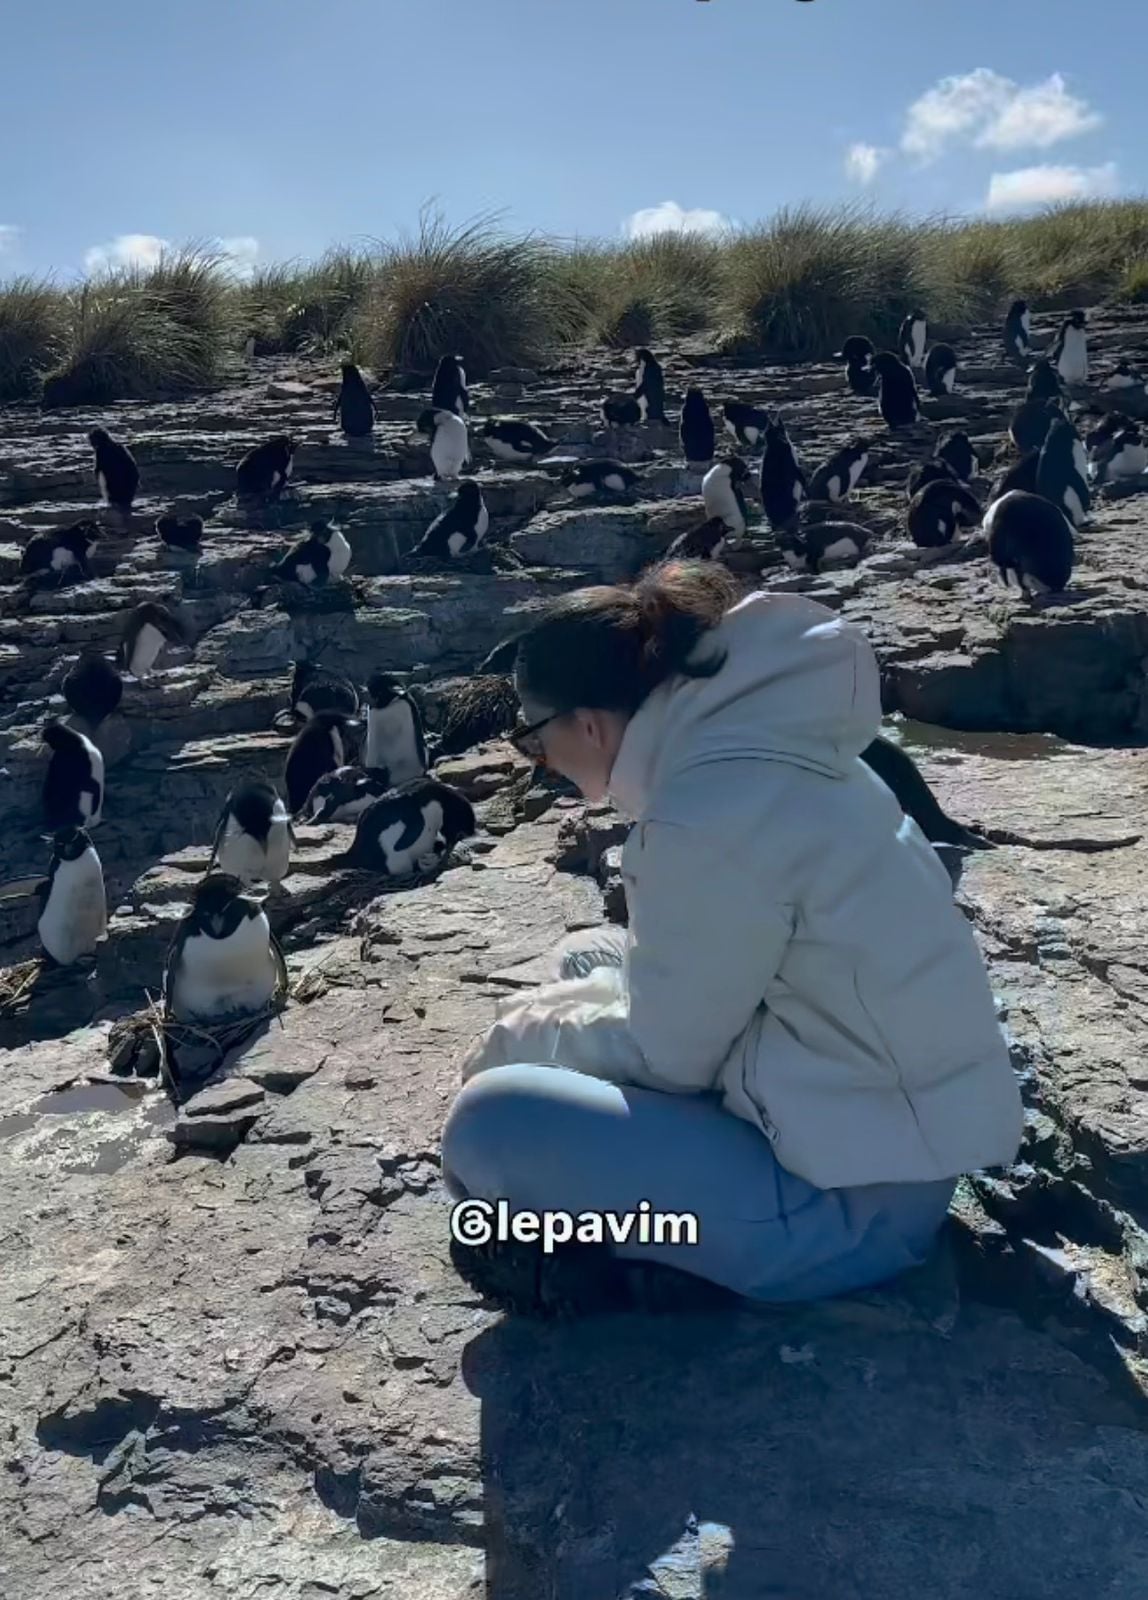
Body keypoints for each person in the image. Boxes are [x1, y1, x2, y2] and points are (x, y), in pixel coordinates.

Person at [442, 562, 1022, 1314]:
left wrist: (514, 1039)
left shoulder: (704, 819)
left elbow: (669, 1060)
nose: (540, 763)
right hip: (876, 1141)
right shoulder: (763, 753)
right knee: (587, 955)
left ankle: (652, 1260)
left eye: (533, 743)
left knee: (490, 1124)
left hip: (842, 1214)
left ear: (586, 723)